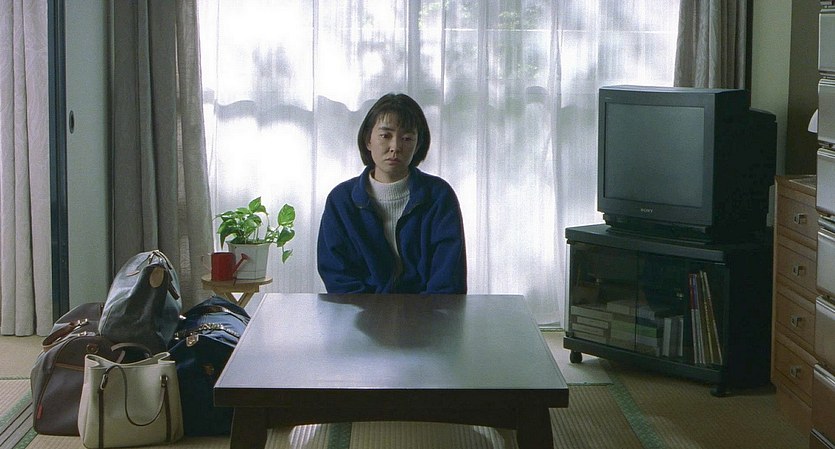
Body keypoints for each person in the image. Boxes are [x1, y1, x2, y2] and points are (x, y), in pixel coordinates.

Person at [317, 93, 467, 294]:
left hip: (430, 312)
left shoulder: (439, 197)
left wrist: (422, 312)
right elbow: (338, 277)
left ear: (418, 145)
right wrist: (372, 312)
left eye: (407, 138)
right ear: (368, 140)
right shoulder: (341, 201)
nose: (395, 147)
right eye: (385, 135)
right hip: (360, 311)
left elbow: (448, 280)